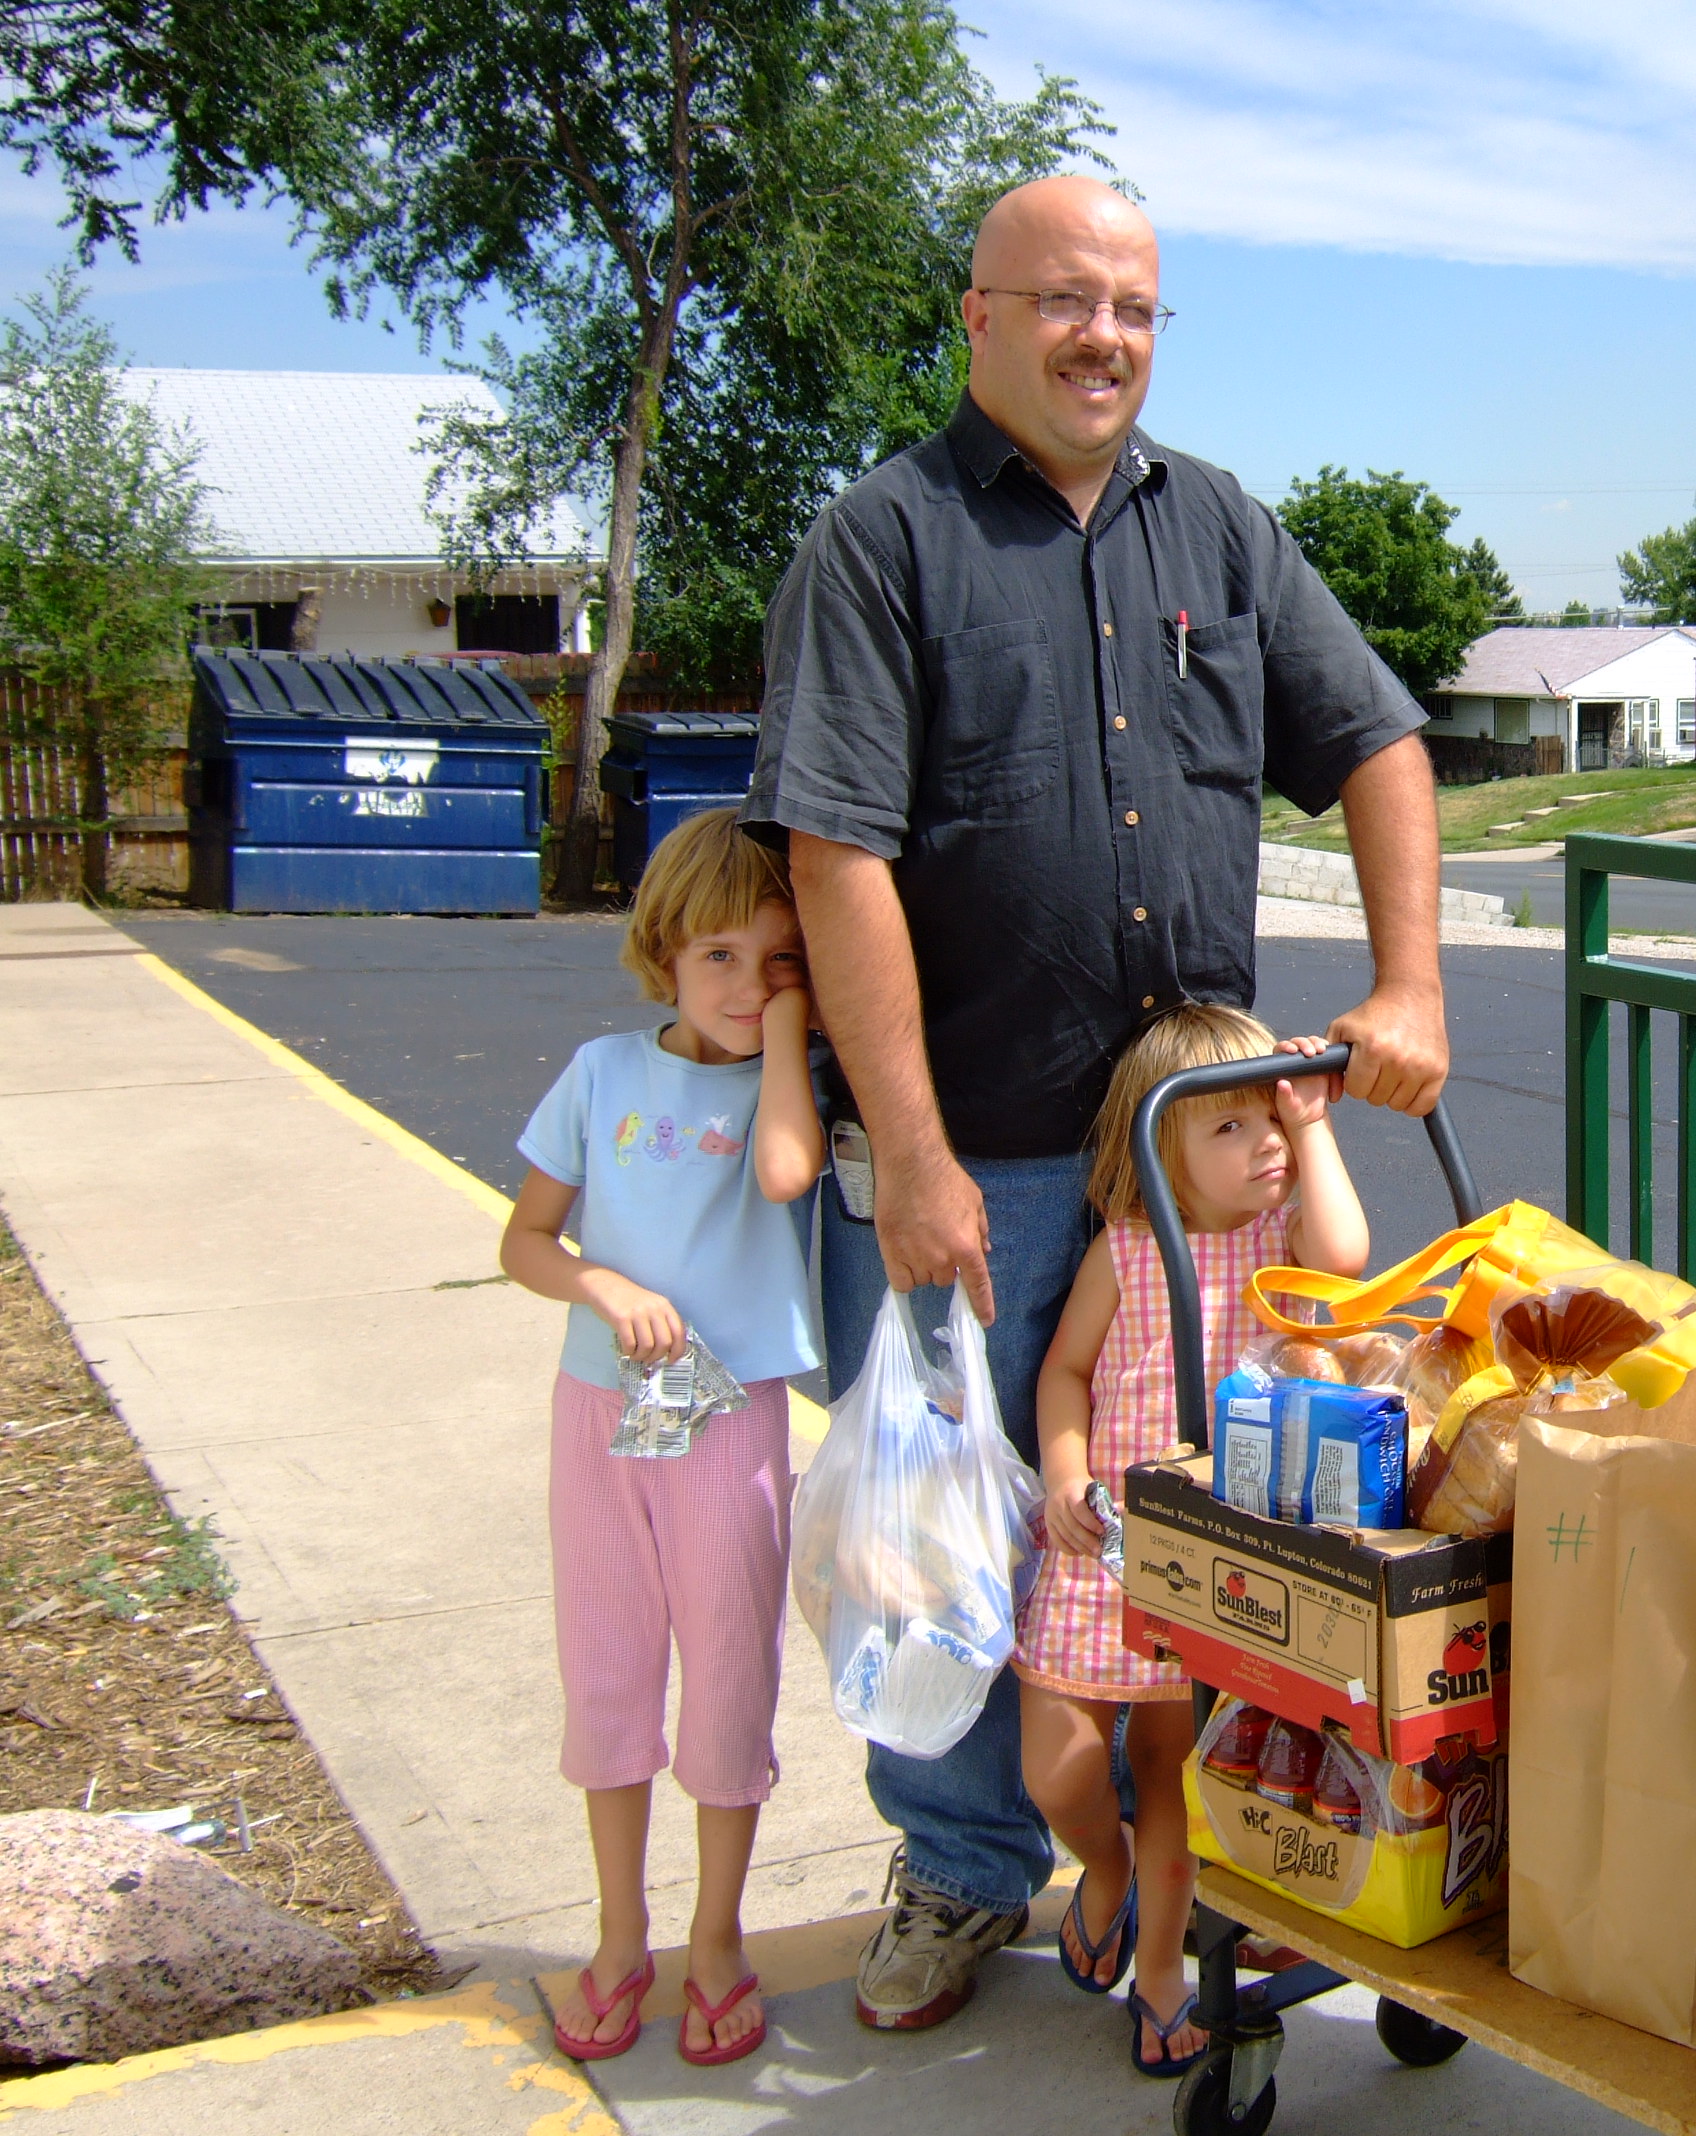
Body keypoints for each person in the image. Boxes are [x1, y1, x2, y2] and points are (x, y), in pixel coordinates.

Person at [741, 170, 1451, 2033]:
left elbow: (1376, 736)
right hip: (974, 1149)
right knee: (954, 1538)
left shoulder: (1217, 526)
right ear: (975, 315)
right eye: (1063, 300)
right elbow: (836, 851)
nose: (1101, 337)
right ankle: (960, 1869)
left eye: (1132, 307)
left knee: (1220, 1528)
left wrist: (1408, 982)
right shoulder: (879, 543)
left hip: (1193, 1171)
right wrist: (902, 1150)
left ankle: (1198, 1853)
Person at [497, 808, 827, 2069]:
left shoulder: (783, 1084)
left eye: (777, 961)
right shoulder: (600, 1075)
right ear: (664, 957)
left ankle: (717, 1935)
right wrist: (600, 1286)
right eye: (720, 959)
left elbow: (788, 1174)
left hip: (726, 1414)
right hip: (605, 1410)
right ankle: (621, 1933)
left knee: (729, 1680)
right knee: (609, 1669)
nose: (746, 987)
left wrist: (790, 1030)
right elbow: (525, 1242)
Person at [1017, 1004, 1369, 2073]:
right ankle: (1106, 1870)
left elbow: (1348, 1259)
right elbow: (1066, 1371)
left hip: (1205, 1562)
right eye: (1228, 1128)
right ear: (1161, 1152)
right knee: (1060, 1768)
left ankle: (1164, 1972)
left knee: (1176, 1777)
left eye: (1268, 1118)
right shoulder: (1127, 1252)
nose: (1262, 1141)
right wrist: (1066, 1473)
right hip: (1105, 1540)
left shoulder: (1286, 1246)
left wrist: (1313, 1123)